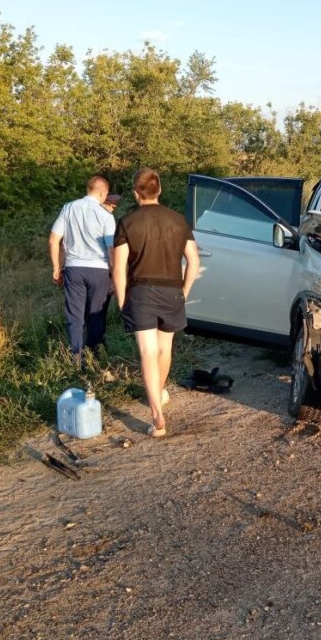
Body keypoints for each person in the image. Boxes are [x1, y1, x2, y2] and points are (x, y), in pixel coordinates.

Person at [112, 168, 200, 438]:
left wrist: (122, 298)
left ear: (135, 192)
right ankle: (159, 392)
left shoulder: (127, 223)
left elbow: (118, 267)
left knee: (147, 353)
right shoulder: (178, 221)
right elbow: (194, 261)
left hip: (141, 292)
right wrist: (184, 290)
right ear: (159, 190)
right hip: (172, 290)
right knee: (164, 351)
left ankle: (156, 416)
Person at [49, 174, 116, 363]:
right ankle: (92, 356)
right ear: (103, 193)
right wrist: (115, 273)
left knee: (75, 315)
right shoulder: (105, 216)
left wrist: (56, 268)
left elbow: (54, 239)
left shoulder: (69, 208)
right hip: (99, 270)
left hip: (74, 269)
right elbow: (111, 249)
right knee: (96, 314)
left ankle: (75, 358)